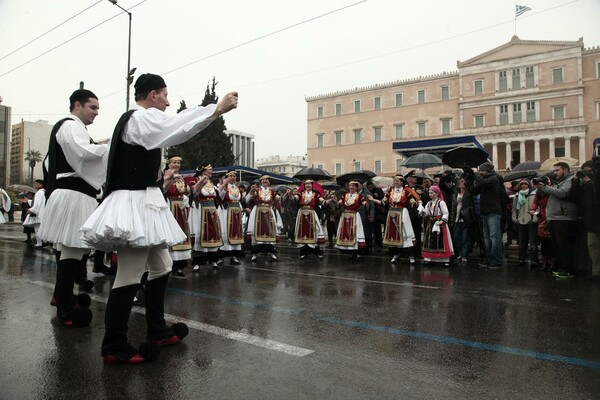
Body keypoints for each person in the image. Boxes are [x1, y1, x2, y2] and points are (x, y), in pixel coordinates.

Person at [81, 73, 238, 363]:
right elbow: (175, 126)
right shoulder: (140, 119)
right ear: (152, 95)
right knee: (129, 272)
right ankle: (114, 345)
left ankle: (157, 329)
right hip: (135, 203)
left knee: (162, 265)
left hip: (144, 201)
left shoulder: (139, 123)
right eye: (165, 95)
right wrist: (215, 110)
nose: (167, 101)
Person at [37, 89, 108, 327]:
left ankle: (62, 296)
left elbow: (50, 162)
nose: (96, 113)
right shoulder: (71, 126)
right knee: (71, 249)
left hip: (74, 194)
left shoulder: (72, 128)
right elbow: (84, 153)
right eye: (93, 107)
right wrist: (111, 149)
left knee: (73, 250)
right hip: (73, 195)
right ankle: (65, 308)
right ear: (77, 105)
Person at [535, 162, 578, 278]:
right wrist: (540, 188)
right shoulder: (558, 182)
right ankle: (562, 267)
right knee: (558, 245)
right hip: (555, 217)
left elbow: (563, 193)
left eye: (557, 170)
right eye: (554, 171)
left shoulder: (570, 181)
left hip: (564, 217)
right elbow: (547, 194)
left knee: (565, 246)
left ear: (565, 170)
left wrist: (546, 187)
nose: (555, 173)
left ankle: (568, 269)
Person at [568, 159, 600, 280]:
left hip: (595, 216)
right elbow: (573, 197)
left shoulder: (594, 183)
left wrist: (591, 184)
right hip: (589, 218)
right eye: (584, 171)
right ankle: (596, 272)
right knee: (592, 245)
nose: (586, 174)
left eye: (589, 171)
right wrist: (576, 182)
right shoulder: (584, 185)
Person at [163, 155, 192, 277]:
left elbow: (187, 191)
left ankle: (179, 265)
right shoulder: (164, 175)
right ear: (169, 164)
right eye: (174, 162)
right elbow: (162, 190)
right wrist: (170, 180)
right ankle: (167, 264)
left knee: (181, 233)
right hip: (170, 206)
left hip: (180, 208)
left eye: (178, 163)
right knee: (170, 233)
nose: (176, 165)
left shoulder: (181, 178)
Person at [190, 164, 223, 270]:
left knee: (213, 233)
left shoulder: (211, 182)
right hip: (201, 209)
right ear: (203, 171)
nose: (211, 172)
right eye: (210, 170)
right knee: (201, 233)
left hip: (212, 210)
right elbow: (194, 194)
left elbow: (216, 196)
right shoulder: (195, 180)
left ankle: (213, 260)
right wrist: (200, 183)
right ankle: (198, 262)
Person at [378, 175, 415, 263]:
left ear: (402, 182)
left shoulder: (406, 191)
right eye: (394, 181)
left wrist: (418, 204)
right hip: (392, 213)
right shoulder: (390, 191)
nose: (395, 182)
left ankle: (411, 255)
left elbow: (412, 200)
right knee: (394, 233)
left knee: (405, 232)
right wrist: (373, 200)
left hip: (402, 213)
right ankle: (395, 254)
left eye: (397, 181)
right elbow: (383, 201)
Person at [474, 162, 504, 269]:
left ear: (488, 170)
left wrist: (476, 174)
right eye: (480, 170)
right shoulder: (484, 181)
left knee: (494, 237)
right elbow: (475, 189)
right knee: (486, 238)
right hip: (485, 211)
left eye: (482, 170)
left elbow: (482, 183)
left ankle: (497, 260)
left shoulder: (494, 178)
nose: (480, 172)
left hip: (493, 211)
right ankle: (489, 258)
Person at [246, 175, 282, 262]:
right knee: (257, 230)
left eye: (266, 180)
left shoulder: (272, 191)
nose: (264, 181)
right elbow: (247, 200)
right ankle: (255, 254)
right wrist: (251, 191)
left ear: (269, 181)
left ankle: (271, 252)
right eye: (263, 179)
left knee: (270, 231)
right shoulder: (256, 190)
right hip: (258, 211)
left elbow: (279, 200)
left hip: (269, 211)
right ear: (260, 181)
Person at [420, 185, 453, 266]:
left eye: (432, 193)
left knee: (441, 241)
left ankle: (444, 259)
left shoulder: (441, 202)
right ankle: (428, 258)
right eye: (429, 193)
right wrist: (421, 208)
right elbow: (427, 213)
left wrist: (442, 221)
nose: (430, 194)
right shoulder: (429, 203)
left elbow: (446, 213)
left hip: (439, 223)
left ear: (437, 193)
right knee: (430, 241)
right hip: (431, 223)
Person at [217, 170, 245, 266]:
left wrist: (241, 210)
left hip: (236, 212)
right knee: (226, 232)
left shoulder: (236, 188)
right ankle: (220, 257)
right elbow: (219, 198)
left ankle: (234, 255)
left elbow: (239, 201)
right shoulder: (222, 186)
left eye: (234, 176)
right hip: (226, 212)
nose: (233, 177)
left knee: (236, 233)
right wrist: (224, 186)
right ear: (226, 177)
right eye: (230, 176)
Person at [335, 181, 367, 259]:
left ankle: (357, 252)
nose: (351, 187)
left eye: (353, 186)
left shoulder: (359, 196)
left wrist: (368, 201)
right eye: (350, 186)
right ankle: (350, 252)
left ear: (356, 187)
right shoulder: (345, 195)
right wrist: (335, 201)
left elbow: (365, 203)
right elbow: (339, 204)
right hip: (345, 216)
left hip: (354, 216)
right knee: (347, 233)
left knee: (355, 233)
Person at [295, 180, 325, 259]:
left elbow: (321, 199)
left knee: (313, 230)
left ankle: (316, 251)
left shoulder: (315, 194)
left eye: (309, 184)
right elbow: (296, 198)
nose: (307, 185)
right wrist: (293, 196)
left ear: (312, 185)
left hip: (311, 213)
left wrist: (325, 201)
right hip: (301, 214)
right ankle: (303, 252)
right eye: (306, 184)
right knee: (302, 231)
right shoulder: (301, 193)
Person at [512, 178, 539, 267]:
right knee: (522, 243)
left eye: (525, 184)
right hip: (520, 221)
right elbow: (514, 208)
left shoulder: (534, 194)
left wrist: (534, 218)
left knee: (533, 243)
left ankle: (534, 260)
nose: (523, 186)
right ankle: (521, 259)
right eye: (522, 184)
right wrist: (515, 219)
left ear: (529, 185)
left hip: (530, 221)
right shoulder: (517, 195)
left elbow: (537, 207)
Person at [530, 175, 553, 272]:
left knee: (552, 243)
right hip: (542, 218)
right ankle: (544, 262)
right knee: (544, 243)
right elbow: (535, 202)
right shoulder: (539, 193)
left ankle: (553, 263)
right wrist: (532, 209)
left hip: (551, 219)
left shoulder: (551, 190)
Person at [450, 177, 475, 263]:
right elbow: (453, 208)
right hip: (457, 218)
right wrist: (452, 220)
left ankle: (464, 255)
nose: (462, 183)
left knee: (465, 238)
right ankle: (460, 253)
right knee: (456, 238)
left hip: (465, 218)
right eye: (460, 181)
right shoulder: (455, 195)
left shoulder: (468, 194)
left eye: (463, 181)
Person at [404, 170, 422, 264]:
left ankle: (417, 251)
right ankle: (408, 252)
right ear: (408, 179)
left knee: (417, 233)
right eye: (413, 177)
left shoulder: (419, 188)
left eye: (415, 177)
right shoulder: (404, 189)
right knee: (408, 234)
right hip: (409, 215)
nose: (415, 179)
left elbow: (424, 198)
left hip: (418, 215)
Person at [23, 179, 47, 247]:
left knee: (37, 229)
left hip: (38, 213)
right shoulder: (43, 192)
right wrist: (29, 201)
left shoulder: (39, 192)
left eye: (36, 184)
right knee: (39, 228)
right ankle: (42, 242)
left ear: (41, 185)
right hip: (41, 212)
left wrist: (31, 210)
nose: (35, 185)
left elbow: (37, 204)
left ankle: (40, 243)